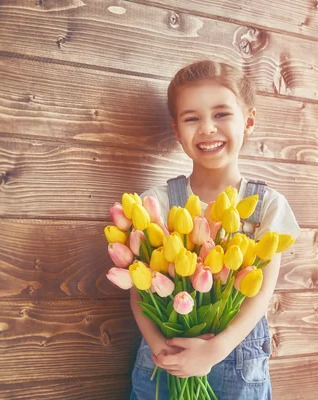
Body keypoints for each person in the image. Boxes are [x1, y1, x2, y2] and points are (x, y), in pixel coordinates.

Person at [129, 60, 301, 400]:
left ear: (249, 120)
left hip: (237, 361)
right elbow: (138, 292)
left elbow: (261, 293)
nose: (207, 128)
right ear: (177, 131)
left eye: (221, 114)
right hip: (165, 363)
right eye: (191, 118)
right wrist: (161, 348)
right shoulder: (155, 205)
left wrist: (216, 349)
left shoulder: (267, 205)